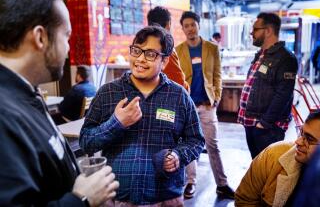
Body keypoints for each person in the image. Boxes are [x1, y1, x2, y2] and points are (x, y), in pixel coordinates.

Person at [0, 0, 119, 206]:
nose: (69, 49)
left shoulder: (27, 94)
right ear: (40, 37)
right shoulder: (4, 113)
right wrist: (81, 199)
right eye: (66, 36)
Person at [79, 26, 205, 206]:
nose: (140, 59)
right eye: (136, 51)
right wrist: (116, 123)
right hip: (116, 197)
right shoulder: (108, 93)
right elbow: (86, 141)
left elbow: (196, 140)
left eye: (150, 54)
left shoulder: (179, 96)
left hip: (165, 197)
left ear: (165, 61)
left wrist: (178, 155)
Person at [176, 11, 234, 199]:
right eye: (186, 25)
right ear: (183, 29)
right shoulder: (178, 51)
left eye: (193, 24)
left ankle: (222, 184)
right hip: (188, 106)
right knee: (188, 145)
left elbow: (217, 75)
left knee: (212, 145)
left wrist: (217, 97)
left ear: (199, 25)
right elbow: (177, 78)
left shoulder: (212, 48)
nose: (190, 28)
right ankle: (191, 182)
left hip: (207, 104)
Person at [237, 12, 298, 159]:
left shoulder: (285, 58)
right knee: (257, 167)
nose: (252, 32)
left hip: (266, 127)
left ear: (269, 31)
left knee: (267, 171)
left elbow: (283, 94)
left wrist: (264, 123)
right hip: (251, 121)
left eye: (256, 29)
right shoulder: (261, 54)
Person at [235, 110, 320, 207]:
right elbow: (244, 200)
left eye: (309, 139)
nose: (298, 141)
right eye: (301, 133)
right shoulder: (273, 155)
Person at [147, 6, 189, 91]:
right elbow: (180, 85)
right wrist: (187, 86)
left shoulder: (144, 47)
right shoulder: (166, 50)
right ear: (168, 24)